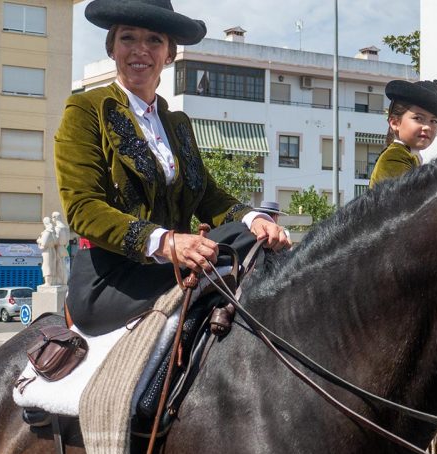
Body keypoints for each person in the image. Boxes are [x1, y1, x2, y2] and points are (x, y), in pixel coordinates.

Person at [55, 0, 290, 335]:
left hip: (178, 268)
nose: (140, 50)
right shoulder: (85, 109)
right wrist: (166, 242)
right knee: (235, 242)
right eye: (128, 38)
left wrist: (257, 219)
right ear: (111, 48)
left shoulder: (177, 123)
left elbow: (209, 196)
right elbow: (82, 208)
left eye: (153, 40)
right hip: (110, 280)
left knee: (248, 238)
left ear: (169, 54)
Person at [368, 79, 437, 188]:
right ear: (395, 123)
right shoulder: (394, 157)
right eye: (418, 118)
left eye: (434, 121)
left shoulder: (410, 156)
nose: (427, 127)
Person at [37, 216, 56, 286]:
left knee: (46, 265)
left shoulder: (47, 232)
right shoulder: (52, 232)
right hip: (51, 250)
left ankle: (47, 282)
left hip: (47, 251)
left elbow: (43, 245)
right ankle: (49, 282)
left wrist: (39, 241)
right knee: (50, 265)